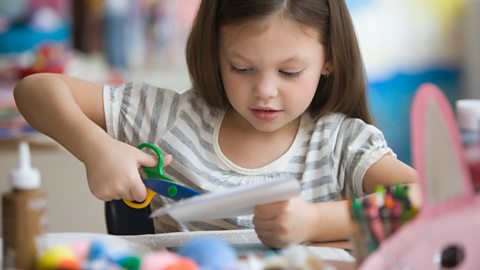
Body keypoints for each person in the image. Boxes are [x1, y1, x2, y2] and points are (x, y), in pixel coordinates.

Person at [14, 0, 417, 248]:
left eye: (290, 72)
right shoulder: (170, 117)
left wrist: (313, 222)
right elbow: (35, 90)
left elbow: (425, 197)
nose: (264, 91)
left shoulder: (340, 144)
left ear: (329, 59)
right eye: (241, 68)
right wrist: (95, 148)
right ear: (215, 53)